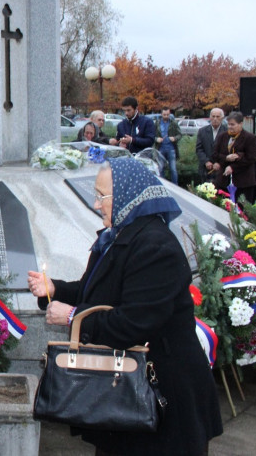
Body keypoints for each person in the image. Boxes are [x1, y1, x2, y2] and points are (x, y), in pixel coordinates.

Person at [27, 158, 222, 455]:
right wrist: (55, 288)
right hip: (129, 394)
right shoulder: (119, 235)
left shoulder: (155, 247)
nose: (95, 204)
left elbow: (133, 323)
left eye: (102, 196)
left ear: (130, 194)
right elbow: (95, 291)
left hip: (164, 397)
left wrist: (71, 316)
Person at [212, 111, 256, 204]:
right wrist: (226, 158)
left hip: (243, 181)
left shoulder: (250, 138)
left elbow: (250, 158)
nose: (230, 127)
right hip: (224, 180)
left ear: (240, 124)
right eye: (228, 124)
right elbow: (215, 154)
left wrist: (233, 167)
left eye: (233, 124)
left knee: (242, 210)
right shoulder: (222, 136)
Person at [196, 108, 225, 183]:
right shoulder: (202, 131)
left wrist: (220, 162)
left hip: (221, 170)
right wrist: (206, 161)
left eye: (218, 116)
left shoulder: (227, 131)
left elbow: (227, 151)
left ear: (222, 118)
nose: (215, 119)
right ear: (210, 117)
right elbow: (199, 149)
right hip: (205, 170)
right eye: (213, 116)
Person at [154, 107, 182, 184]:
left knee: (173, 169)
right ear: (161, 114)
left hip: (171, 149)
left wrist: (175, 138)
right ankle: (163, 185)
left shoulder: (173, 123)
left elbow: (179, 134)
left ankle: (175, 186)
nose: (166, 116)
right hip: (160, 148)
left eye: (167, 114)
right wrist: (156, 139)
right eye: (164, 114)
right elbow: (151, 135)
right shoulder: (157, 123)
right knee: (160, 168)